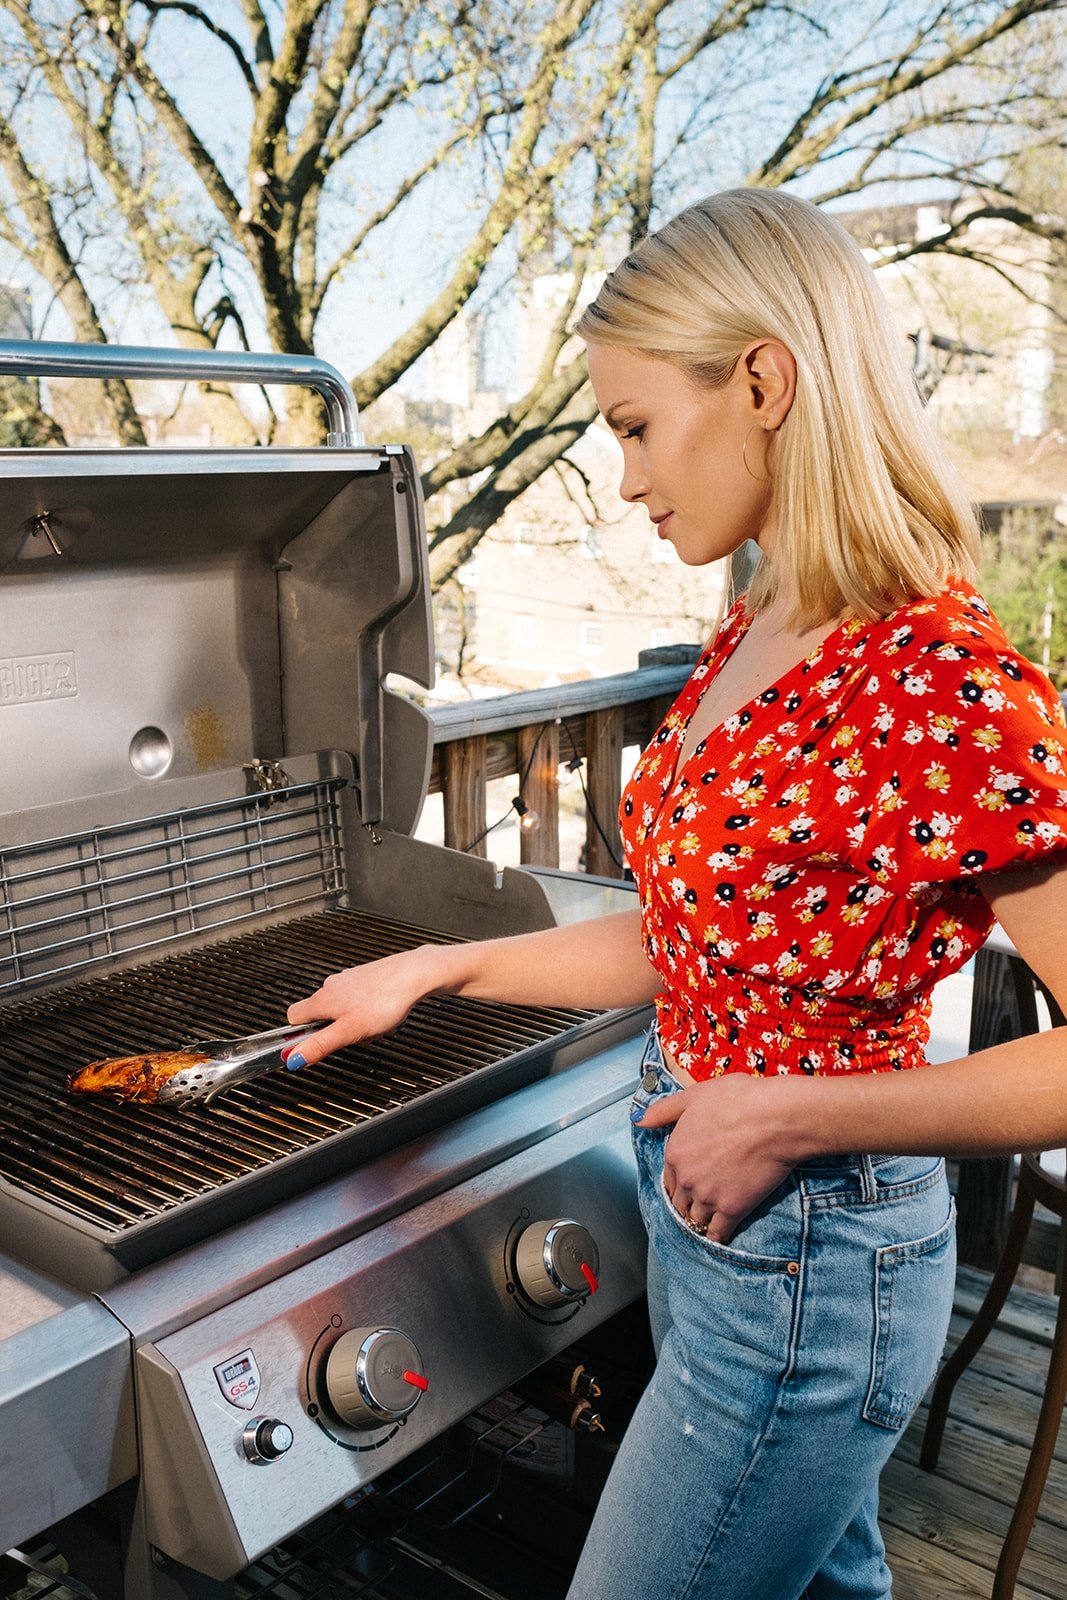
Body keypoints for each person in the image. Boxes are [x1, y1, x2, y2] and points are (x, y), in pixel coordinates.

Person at [286, 188, 1067, 1599]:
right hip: (728, 1236)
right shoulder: (764, 625)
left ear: (764, 380)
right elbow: (689, 941)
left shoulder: (930, 677)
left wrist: (786, 1109)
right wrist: (439, 971)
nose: (627, 479)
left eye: (638, 427)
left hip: (814, 1265)